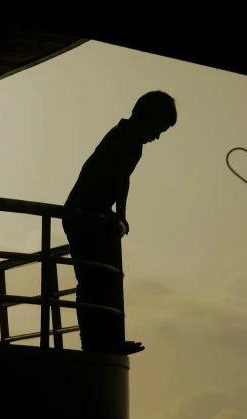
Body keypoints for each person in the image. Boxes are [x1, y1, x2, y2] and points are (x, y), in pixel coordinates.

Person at [63, 90, 177, 355]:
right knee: (93, 282)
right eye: (159, 128)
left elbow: (122, 180)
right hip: (83, 215)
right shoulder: (124, 138)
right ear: (147, 118)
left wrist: (119, 214)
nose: (157, 136)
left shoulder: (131, 142)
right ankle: (94, 342)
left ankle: (106, 339)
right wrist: (112, 213)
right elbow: (109, 177)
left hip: (95, 214)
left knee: (103, 282)